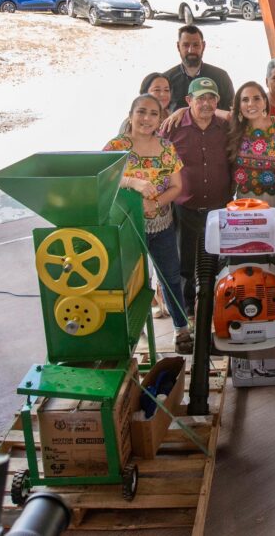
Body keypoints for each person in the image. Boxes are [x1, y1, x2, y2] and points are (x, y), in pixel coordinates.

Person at [103, 95, 193, 353]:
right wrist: (133, 182)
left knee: (170, 276)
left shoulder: (166, 147)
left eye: (153, 113)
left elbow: (177, 186)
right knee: (131, 280)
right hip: (127, 227)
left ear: (160, 119)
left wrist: (156, 203)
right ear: (131, 115)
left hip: (161, 225)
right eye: (141, 112)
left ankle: (181, 328)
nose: (146, 118)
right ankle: (134, 330)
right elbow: (103, 179)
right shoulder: (116, 146)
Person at [160, 78, 232, 316]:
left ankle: (218, 308)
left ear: (218, 102)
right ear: (189, 100)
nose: (206, 103)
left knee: (220, 260)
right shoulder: (172, 128)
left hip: (219, 209)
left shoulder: (226, 128)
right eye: (200, 98)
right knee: (185, 264)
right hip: (185, 208)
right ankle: (188, 313)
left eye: (211, 98)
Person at [228, 81, 275, 208]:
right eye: (245, 100)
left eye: (256, 98)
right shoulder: (235, 130)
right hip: (244, 201)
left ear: (265, 102)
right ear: (239, 105)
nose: (251, 104)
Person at [163, 25, 235, 112]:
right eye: (186, 45)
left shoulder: (221, 77)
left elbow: (232, 113)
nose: (191, 50)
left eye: (196, 45)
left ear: (203, 46)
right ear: (178, 47)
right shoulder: (166, 80)